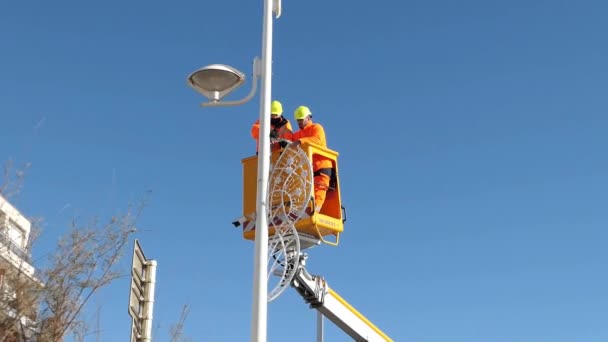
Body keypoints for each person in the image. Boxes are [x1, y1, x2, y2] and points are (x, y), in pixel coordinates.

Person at [290, 105, 333, 213]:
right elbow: (289, 139)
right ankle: (309, 211)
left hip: (322, 165)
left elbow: (317, 140)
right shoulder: (298, 134)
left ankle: (315, 212)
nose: (299, 123)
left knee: (319, 190)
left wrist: (300, 141)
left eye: (301, 120)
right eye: (297, 121)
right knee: (307, 192)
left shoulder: (317, 128)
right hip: (309, 169)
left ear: (308, 118)